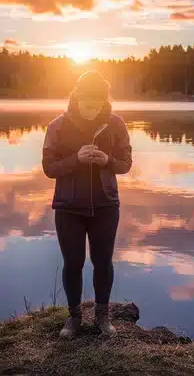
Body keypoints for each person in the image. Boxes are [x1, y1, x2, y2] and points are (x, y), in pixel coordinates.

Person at [42, 71, 133, 338]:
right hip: (68, 207)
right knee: (73, 263)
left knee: (103, 261)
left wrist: (107, 160)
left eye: (97, 102)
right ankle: (74, 318)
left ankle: (102, 317)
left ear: (105, 99)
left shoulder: (116, 125)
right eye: (87, 101)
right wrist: (76, 159)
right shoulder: (57, 126)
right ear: (77, 96)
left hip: (106, 205)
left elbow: (126, 164)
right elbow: (49, 168)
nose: (92, 107)